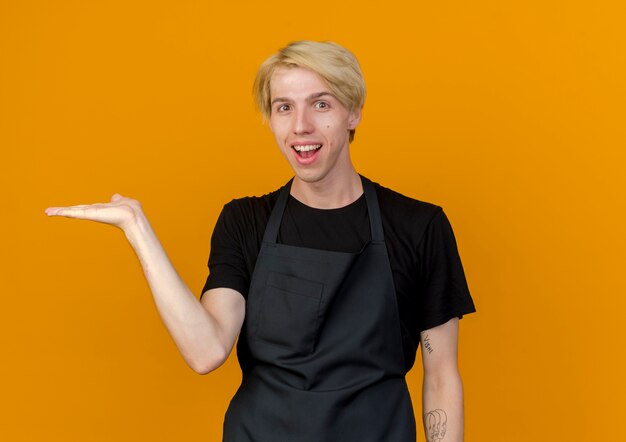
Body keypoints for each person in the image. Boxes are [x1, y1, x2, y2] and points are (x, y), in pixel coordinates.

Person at [46, 40, 476, 442]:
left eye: (320, 104)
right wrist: (138, 230)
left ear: (354, 112)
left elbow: (440, 375)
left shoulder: (419, 226)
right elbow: (205, 350)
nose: (300, 126)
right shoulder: (245, 221)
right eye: (283, 107)